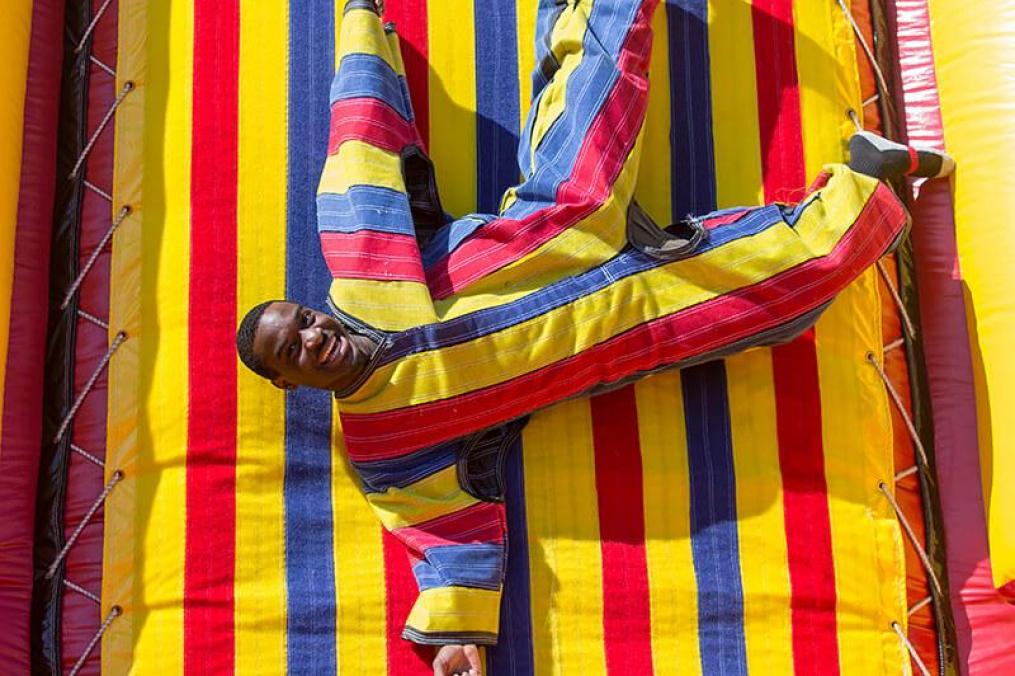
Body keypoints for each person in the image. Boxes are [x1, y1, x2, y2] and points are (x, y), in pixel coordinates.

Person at [235, 1, 952, 674]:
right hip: (636, 321)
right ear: (285, 381)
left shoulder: (360, 267)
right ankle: (869, 171)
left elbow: (359, 149)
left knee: (601, 80)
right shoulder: (384, 444)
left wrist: (361, 28)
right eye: (290, 349)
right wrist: (455, 630)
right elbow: (444, 531)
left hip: (566, 218)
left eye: (300, 319)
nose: (310, 335)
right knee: (790, 290)